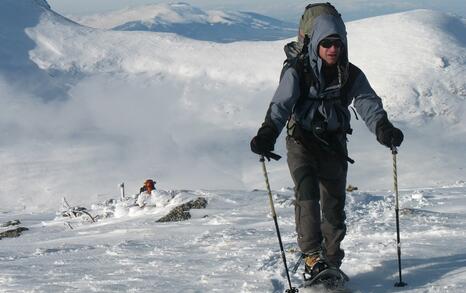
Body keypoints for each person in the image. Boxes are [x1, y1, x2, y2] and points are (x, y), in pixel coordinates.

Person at [250, 4, 404, 279]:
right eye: (327, 43)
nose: (333, 49)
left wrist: (383, 128)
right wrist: (267, 132)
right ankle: (312, 257)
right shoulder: (298, 70)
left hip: (333, 144)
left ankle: (331, 260)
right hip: (301, 142)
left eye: (338, 44)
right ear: (316, 44)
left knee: (333, 205)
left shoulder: (350, 73)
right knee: (307, 195)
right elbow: (281, 104)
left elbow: (367, 102)